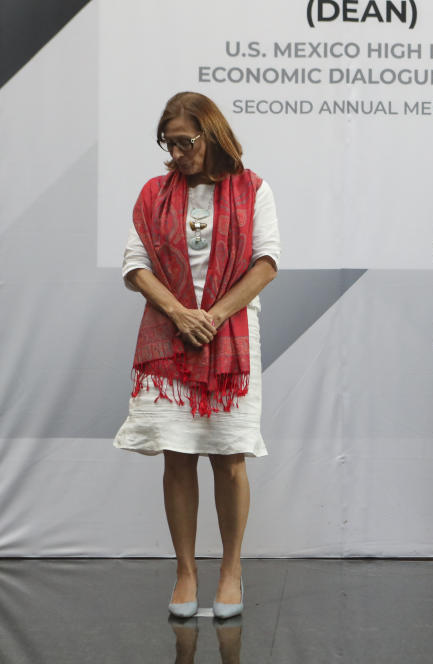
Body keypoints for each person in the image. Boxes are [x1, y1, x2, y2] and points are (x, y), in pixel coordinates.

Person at [114, 91, 280, 620]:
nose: (177, 151)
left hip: (230, 339)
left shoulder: (253, 189)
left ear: (211, 136)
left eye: (185, 141)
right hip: (170, 339)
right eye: (169, 142)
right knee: (177, 455)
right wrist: (180, 313)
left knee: (230, 458)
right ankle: (186, 571)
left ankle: (231, 570)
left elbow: (266, 263)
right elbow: (135, 263)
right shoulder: (152, 193)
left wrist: (211, 316)